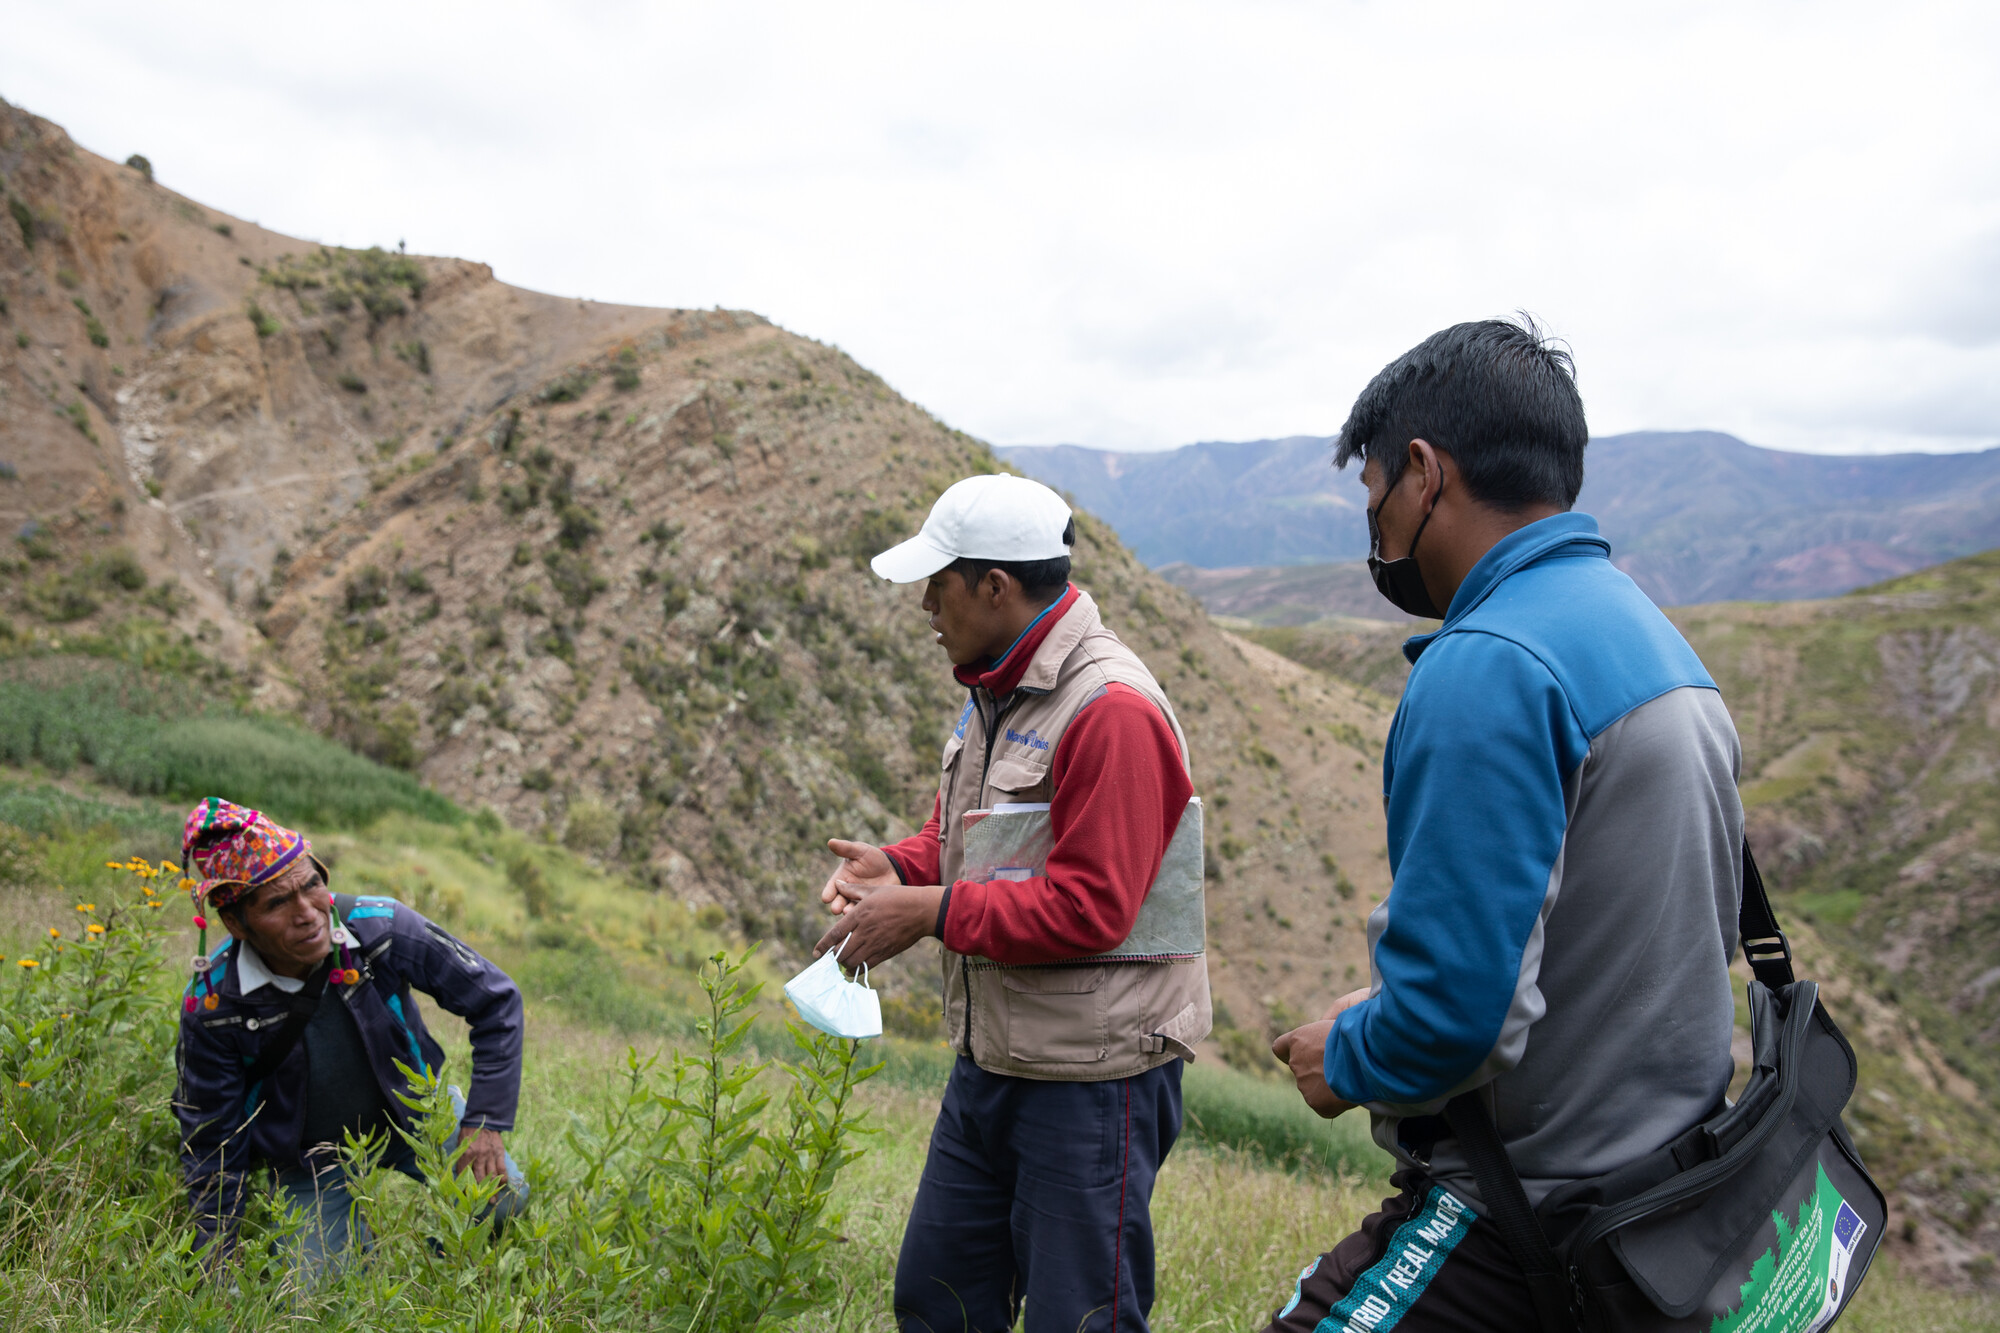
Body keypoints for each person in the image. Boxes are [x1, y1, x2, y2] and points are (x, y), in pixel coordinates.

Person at [1263, 320, 1744, 1331]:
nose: (1376, 535)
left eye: (1373, 497)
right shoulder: (1650, 636)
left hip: (1526, 1219)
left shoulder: (1485, 662)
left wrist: (1341, 1055)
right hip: (1663, 1213)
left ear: (1423, 475)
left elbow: (1456, 1018)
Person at [813, 473, 1211, 1333]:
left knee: (1080, 1316)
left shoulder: (1111, 711)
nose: (926, 603)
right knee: (938, 1298)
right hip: (994, 1061)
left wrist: (925, 912)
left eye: (939, 582)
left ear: (995, 587)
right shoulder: (994, 689)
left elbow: (1091, 906)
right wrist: (896, 864)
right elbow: (972, 839)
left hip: (1093, 1081)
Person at [172, 798, 527, 1276]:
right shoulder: (214, 1006)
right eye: (278, 902)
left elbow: (495, 1000)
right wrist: (217, 1253)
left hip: (414, 1113)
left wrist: (483, 1123)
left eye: (312, 885)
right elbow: (213, 1138)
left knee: (503, 1198)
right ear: (236, 923)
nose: (308, 913)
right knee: (317, 1299)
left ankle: (445, 1264)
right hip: (309, 1157)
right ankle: (353, 1247)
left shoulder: (379, 927)